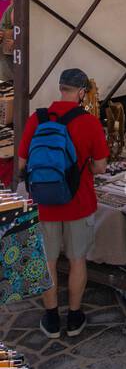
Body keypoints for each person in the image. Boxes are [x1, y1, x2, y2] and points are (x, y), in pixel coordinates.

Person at [18, 67, 109, 339]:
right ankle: (74, 315)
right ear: (81, 93)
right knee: (77, 260)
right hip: (78, 203)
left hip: (44, 204)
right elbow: (101, 166)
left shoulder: (38, 118)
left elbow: (22, 164)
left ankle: (51, 318)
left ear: (61, 88)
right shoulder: (90, 122)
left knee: (47, 261)